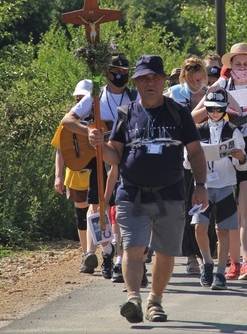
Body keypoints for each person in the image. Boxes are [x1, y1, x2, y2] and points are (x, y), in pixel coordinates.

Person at [90, 55, 208, 324]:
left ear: (164, 80)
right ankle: (133, 298)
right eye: (144, 78)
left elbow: (196, 152)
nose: (150, 82)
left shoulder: (179, 113)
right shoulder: (126, 114)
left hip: (171, 193)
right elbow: (115, 157)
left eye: (155, 77)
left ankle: (155, 300)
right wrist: (99, 143)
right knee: (133, 247)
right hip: (132, 193)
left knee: (166, 252)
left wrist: (201, 186)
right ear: (137, 82)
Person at [193, 42, 247, 281]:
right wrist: (218, 108)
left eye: (246, 64)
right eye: (237, 64)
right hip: (221, 149)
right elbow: (193, 117)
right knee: (228, 211)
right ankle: (231, 262)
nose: (242, 67)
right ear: (230, 65)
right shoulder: (219, 86)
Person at [60, 54, 136, 277]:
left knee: (122, 209)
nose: (120, 76)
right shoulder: (96, 96)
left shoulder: (133, 96)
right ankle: (106, 251)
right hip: (99, 158)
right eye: (115, 71)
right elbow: (67, 120)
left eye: (124, 72)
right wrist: (89, 131)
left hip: (126, 157)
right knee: (96, 209)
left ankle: (121, 259)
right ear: (106, 73)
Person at [189, 87, 247, 290]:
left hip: (226, 185)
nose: (215, 113)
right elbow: (186, 163)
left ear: (225, 109)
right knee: (199, 226)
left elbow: (243, 164)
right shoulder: (197, 130)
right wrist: (191, 158)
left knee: (223, 230)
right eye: (211, 109)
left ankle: (221, 273)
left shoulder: (233, 130)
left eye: (219, 109)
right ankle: (207, 262)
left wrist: (241, 157)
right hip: (203, 186)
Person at [165, 56, 209, 274]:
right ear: (183, 78)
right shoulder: (174, 94)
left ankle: (205, 253)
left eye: (200, 78)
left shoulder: (210, 93)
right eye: (192, 80)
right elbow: (184, 122)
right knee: (184, 205)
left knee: (204, 205)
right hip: (181, 155)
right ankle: (190, 254)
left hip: (207, 154)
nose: (196, 84)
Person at [54, 79, 93, 271]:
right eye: (78, 97)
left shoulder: (100, 117)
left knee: (101, 214)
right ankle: (87, 255)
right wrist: (58, 176)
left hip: (97, 173)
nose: (79, 100)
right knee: (81, 215)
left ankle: (110, 253)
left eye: (82, 97)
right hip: (76, 174)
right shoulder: (69, 120)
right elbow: (61, 149)